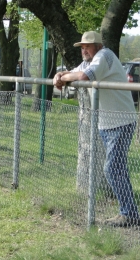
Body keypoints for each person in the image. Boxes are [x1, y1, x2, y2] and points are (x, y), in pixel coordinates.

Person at [53, 31, 139, 227]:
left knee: (112, 168)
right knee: (117, 169)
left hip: (121, 122)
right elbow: (73, 73)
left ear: (98, 46)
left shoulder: (104, 56)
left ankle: (129, 213)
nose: (83, 50)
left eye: (87, 46)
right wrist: (60, 75)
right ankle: (130, 212)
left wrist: (64, 77)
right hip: (106, 123)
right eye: (82, 47)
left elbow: (82, 76)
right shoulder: (89, 60)